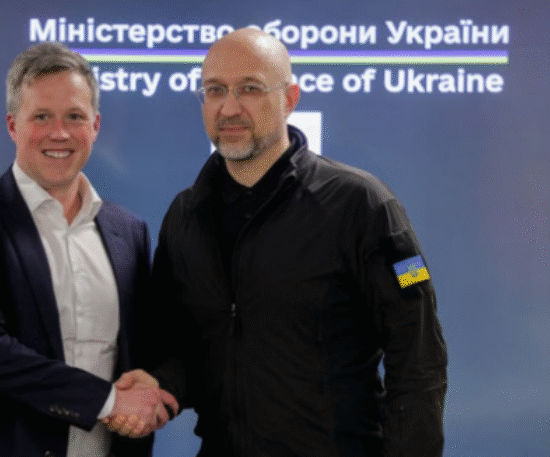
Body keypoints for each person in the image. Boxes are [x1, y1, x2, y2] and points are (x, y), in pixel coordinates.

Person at [113, 28, 448, 456]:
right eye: (215, 90)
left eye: (250, 89)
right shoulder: (185, 216)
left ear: (290, 98)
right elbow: (181, 345)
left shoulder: (361, 205)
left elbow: (419, 357)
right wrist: (160, 382)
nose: (229, 108)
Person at [0, 42, 176, 457]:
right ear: (12, 125)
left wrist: (155, 387)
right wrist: (109, 402)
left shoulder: (129, 231)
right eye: (41, 117)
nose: (60, 133)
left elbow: (145, 346)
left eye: (75, 116)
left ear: (95, 125)